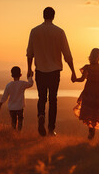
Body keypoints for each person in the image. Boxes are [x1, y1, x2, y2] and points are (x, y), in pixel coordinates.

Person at [26, 7, 76, 137]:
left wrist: (29, 68)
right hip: (54, 72)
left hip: (40, 71)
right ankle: (50, 129)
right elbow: (67, 54)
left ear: (43, 16)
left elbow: (30, 52)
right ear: (53, 16)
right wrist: (73, 71)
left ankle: (41, 114)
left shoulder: (34, 31)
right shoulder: (59, 32)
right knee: (53, 100)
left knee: (42, 97)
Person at [0, 66, 33, 131]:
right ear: (20, 75)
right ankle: (18, 133)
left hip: (11, 107)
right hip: (20, 106)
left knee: (13, 120)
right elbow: (30, 84)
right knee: (20, 120)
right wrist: (30, 77)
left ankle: (13, 132)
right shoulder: (22, 83)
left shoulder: (9, 85)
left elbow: (5, 96)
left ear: (12, 75)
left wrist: (1, 103)